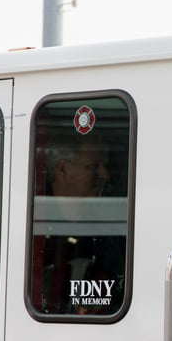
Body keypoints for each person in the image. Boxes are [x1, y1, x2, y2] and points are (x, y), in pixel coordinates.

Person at [37, 131, 124, 315]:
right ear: (62, 169)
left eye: (105, 166)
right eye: (93, 166)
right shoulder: (30, 217)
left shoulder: (112, 231)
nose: (105, 175)